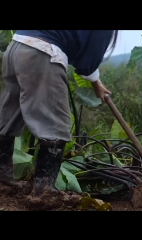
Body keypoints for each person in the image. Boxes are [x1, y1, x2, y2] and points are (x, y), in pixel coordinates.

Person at [0, 30, 118, 198]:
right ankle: (43, 193)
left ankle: (2, 180)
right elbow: (87, 62)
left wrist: (96, 83)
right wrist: (94, 78)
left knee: (8, 116)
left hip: (16, 47)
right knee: (54, 126)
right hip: (41, 51)